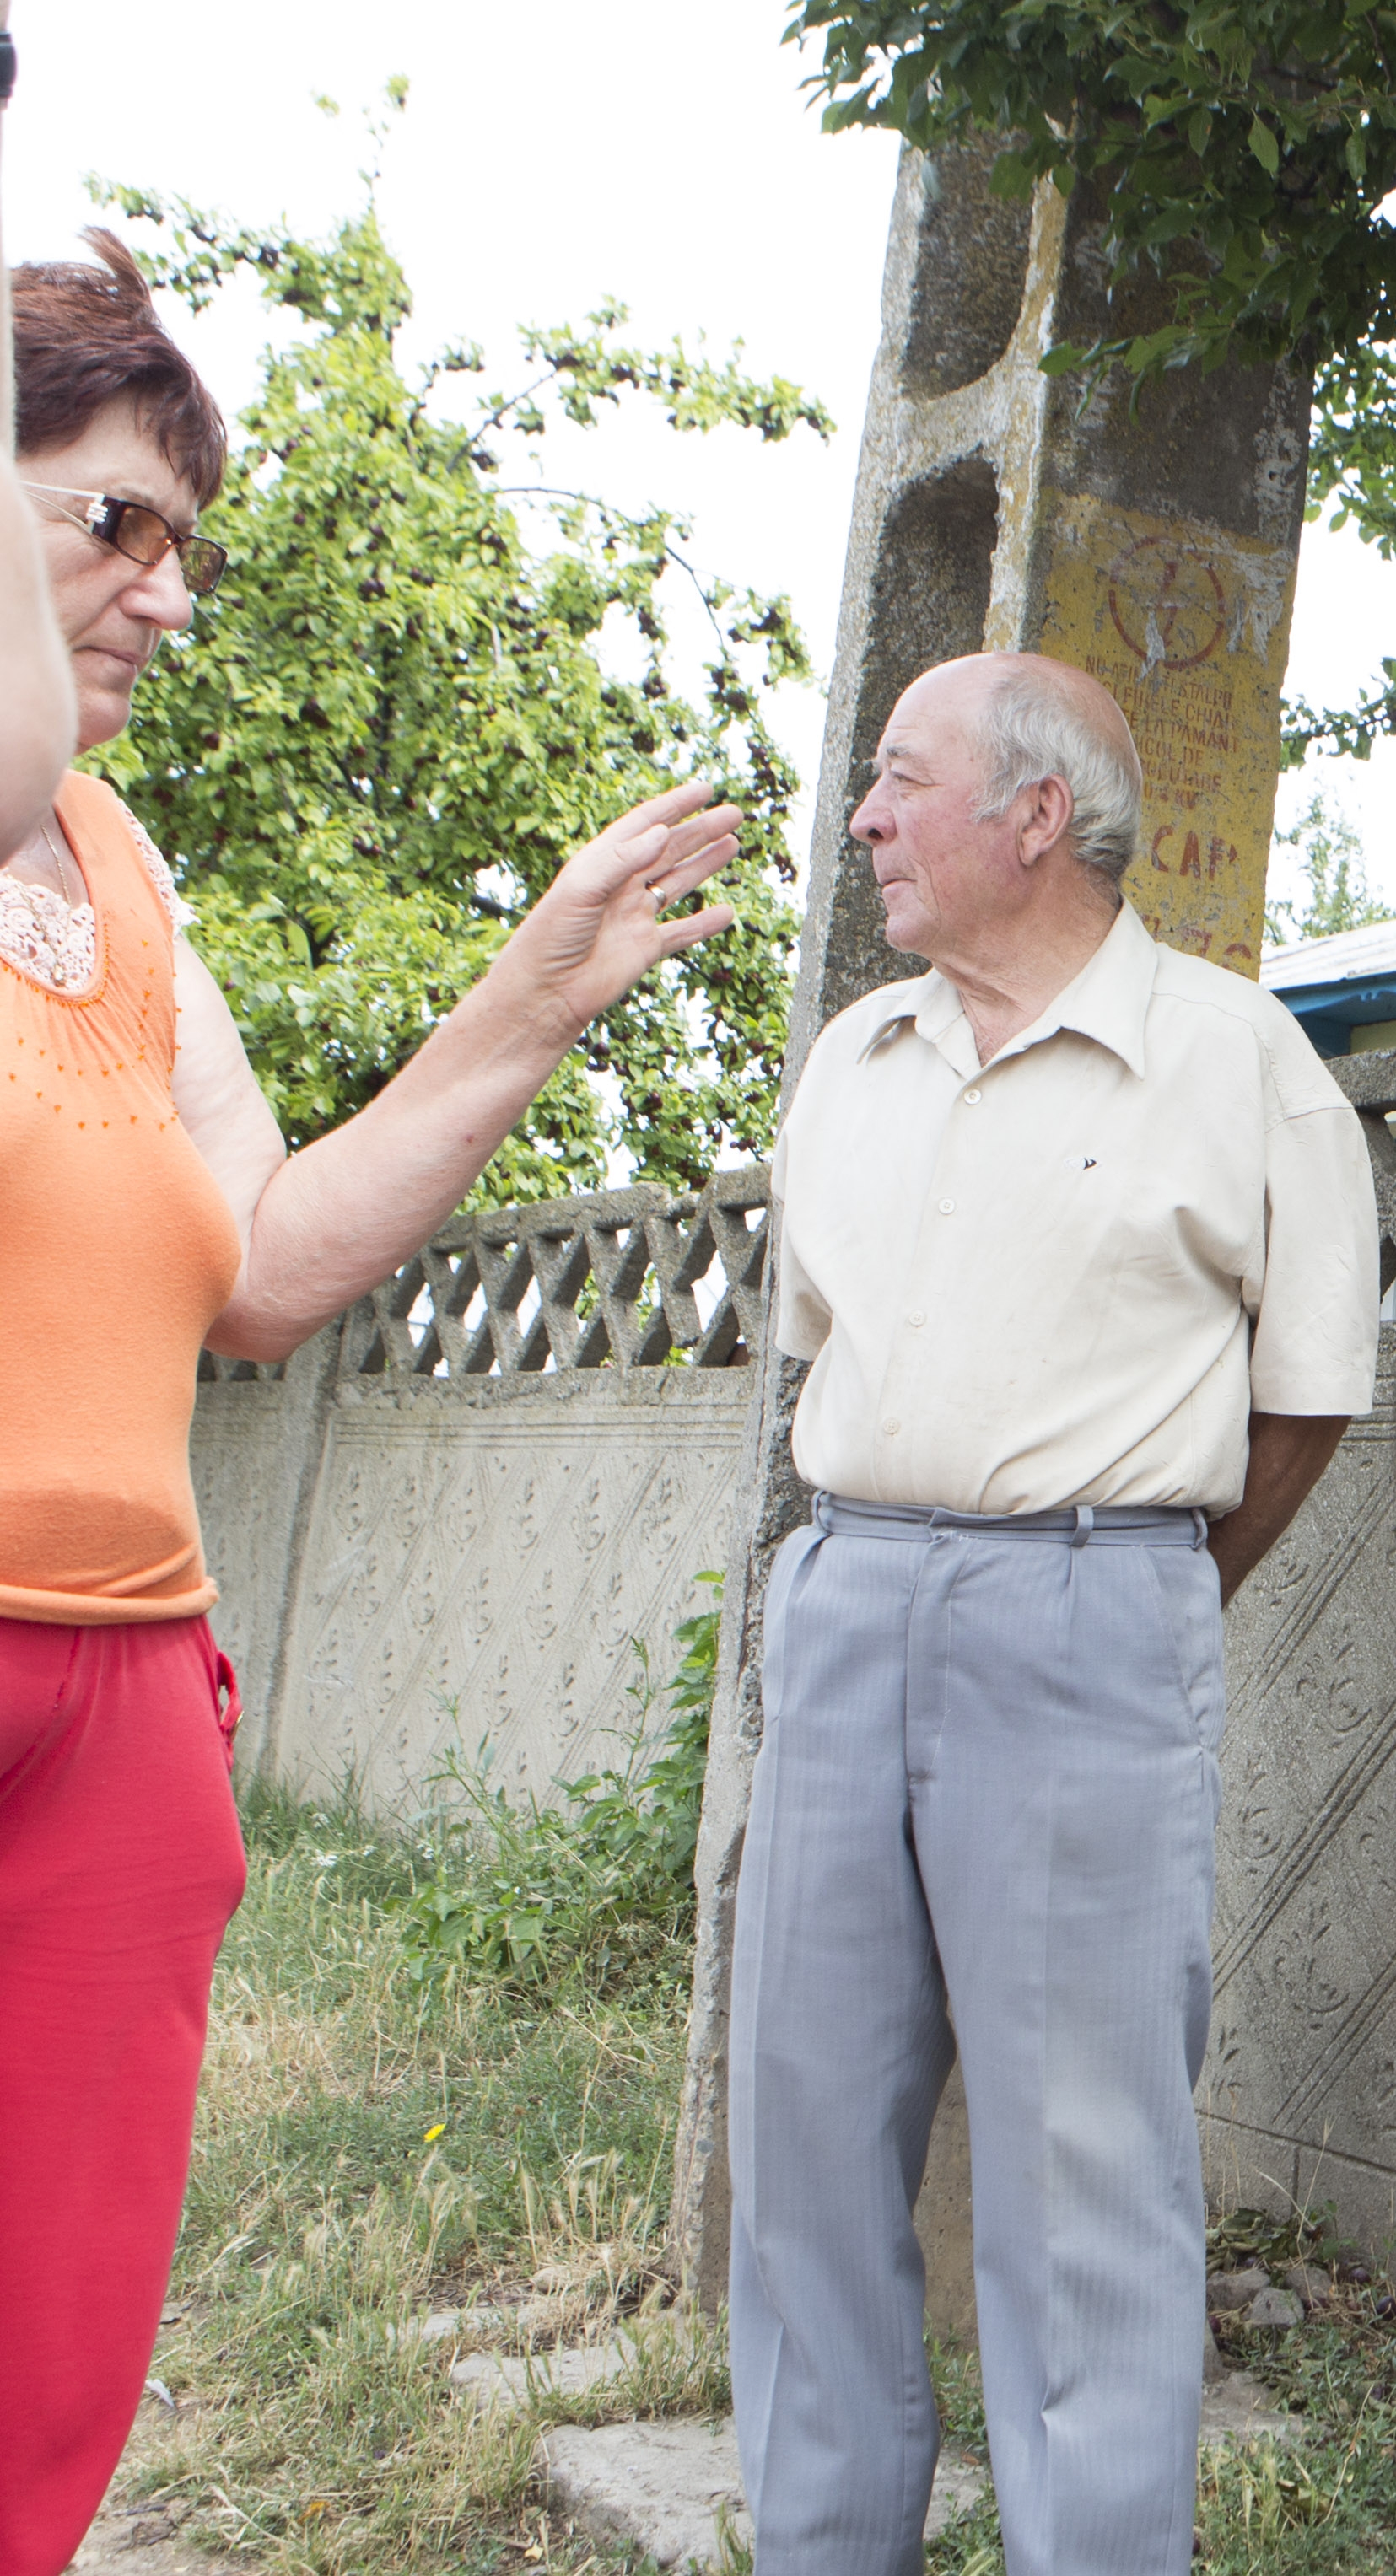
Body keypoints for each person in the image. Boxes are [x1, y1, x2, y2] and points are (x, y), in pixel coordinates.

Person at [0, 214, 748, 2576]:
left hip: (117, 1696)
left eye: (188, 546)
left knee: (50, 2353)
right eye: (113, 522)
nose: (166, 590)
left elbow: (267, 1272)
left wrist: (538, 990)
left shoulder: (122, 876)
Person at [729, 650, 1378, 2576]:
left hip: (1096, 1613)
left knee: (1085, 2173)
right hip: (847, 1598)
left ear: (1036, 814)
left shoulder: (1237, 1055)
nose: (861, 820)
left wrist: (1129, 1591)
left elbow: (1309, 1390)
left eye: (898, 779)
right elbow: (823, 1361)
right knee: (808, 2133)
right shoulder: (854, 1060)